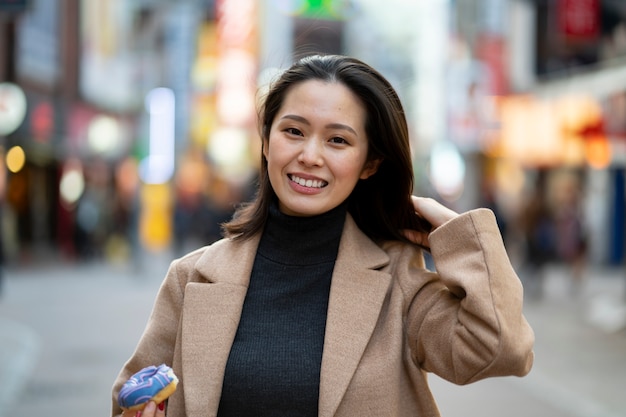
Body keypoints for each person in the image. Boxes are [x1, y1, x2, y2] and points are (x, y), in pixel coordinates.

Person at [111, 54, 534, 417]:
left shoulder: (399, 283)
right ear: (266, 139)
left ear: (370, 164)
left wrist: (454, 233)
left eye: (337, 140)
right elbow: (131, 396)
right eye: (293, 131)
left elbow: (500, 348)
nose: (309, 156)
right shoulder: (191, 278)